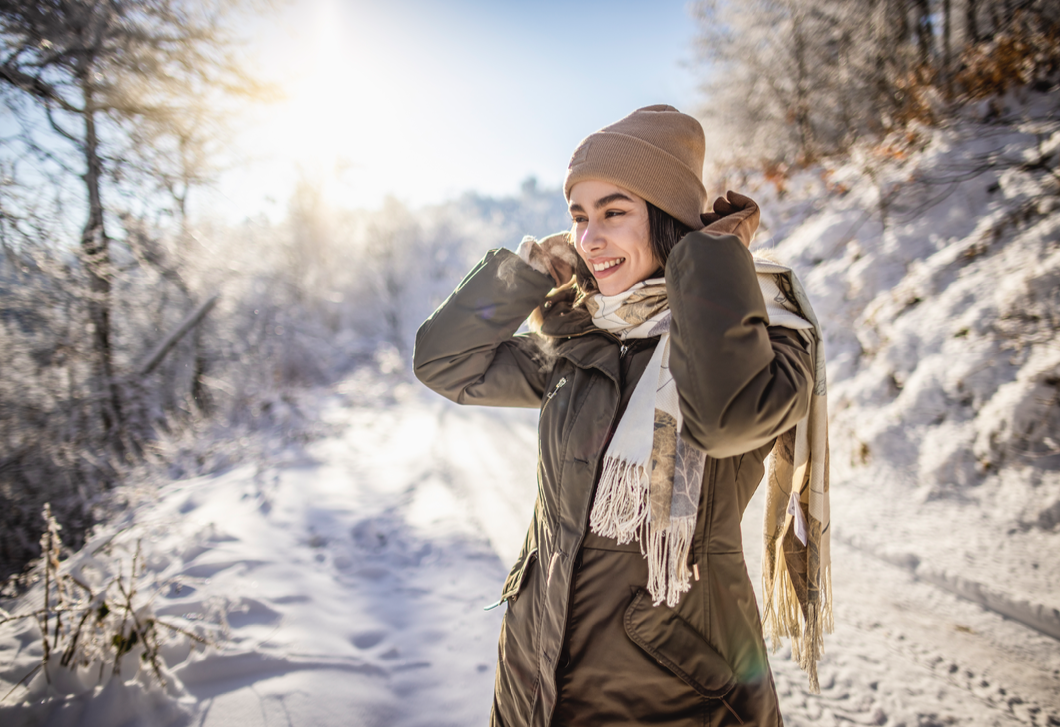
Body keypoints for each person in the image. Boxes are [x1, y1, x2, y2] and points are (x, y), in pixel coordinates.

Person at [414, 105, 831, 727]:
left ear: (667, 221)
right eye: (579, 218)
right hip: (536, 668)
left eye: (614, 212)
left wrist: (711, 259)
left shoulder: (767, 334)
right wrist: (531, 272)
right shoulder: (583, 343)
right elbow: (446, 361)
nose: (589, 238)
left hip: (671, 688)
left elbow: (725, 421)